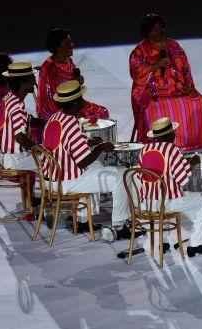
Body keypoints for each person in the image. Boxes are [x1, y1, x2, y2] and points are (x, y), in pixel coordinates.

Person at [41, 80, 137, 238]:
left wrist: (88, 142)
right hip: (65, 181)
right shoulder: (71, 123)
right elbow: (83, 161)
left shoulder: (55, 118)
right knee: (122, 175)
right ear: (74, 102)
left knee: (97, 165)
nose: (84, 103)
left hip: (50, 177)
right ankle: (120, 225)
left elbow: (65, 143)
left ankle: (83, 220)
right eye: (81, 99)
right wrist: (100, 148)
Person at [129, 13, 202, 151]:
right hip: (152, 91)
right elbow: (136, 73)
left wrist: (188, 86)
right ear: (147, 32)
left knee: (195, 101)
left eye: (160, 28)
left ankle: (189, 141)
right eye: (155, 29)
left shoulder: (173, 45)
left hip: (176, 89)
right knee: (157, 105)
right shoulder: (139, 51)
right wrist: (156, 65)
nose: (159, 32)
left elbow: (184, 67)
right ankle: (157, 141)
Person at [137, 117, 202, 257]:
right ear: (170, 135)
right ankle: (197, 243)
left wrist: (184, 163)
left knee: (190, 204)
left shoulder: (144, 150)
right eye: (173, 133)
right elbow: (182, 180)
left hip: (146, 203)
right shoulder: (172, 149)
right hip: (166, 203)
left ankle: (160, 240)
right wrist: (193, 164)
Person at [0, 62, 42, 213]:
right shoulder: (16, 106)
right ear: (23, 83)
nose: (35, 81)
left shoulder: (10, 99)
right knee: (54, 161)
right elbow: (20, 137)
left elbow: (29, 120)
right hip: (14, 160)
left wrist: (50, 122)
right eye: (31, 78)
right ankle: (52, 199)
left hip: (4, 156)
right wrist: (39, 150)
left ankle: (33, 199)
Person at [37, 28, 109, 121]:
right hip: (59, 109)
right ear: (57, 47)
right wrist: (71, 113)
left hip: (74, 104)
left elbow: (73, 85)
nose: (72, 45)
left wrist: (78, 81)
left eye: (71, 42)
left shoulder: (69, 61)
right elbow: (48, 101)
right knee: (87, 120)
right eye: (67, 43)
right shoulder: (49, 68)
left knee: (102, 112)